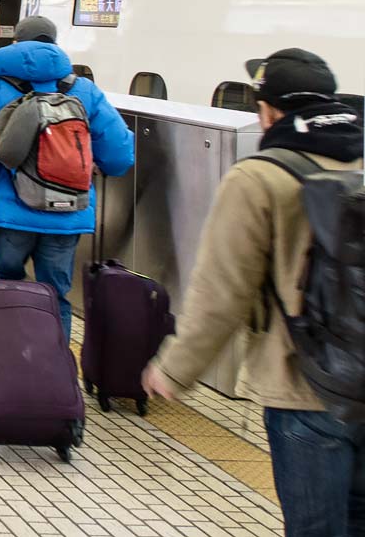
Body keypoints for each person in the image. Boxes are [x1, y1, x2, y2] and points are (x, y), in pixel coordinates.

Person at [143, 51, 363, 536]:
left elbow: (224, 291)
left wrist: (175, 369)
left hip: (303, 384)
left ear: (267, 111)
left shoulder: (260, 175)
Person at [0, 14, 135, 333]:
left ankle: (11, 367)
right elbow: (120, 156)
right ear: (54, 44)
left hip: (9, 218)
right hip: (67, 216)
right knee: (55, 298)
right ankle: (51, 376)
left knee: (8, 293)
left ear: (15, 43)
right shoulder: (83, 89)